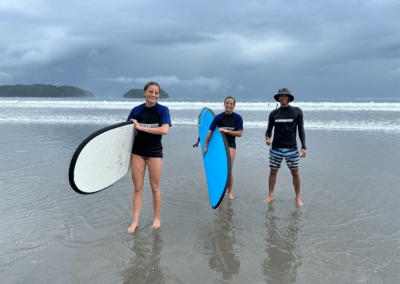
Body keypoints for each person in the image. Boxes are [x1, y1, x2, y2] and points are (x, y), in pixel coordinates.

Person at [126, 82, 171, 233]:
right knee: (138, 188)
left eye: (156, 93)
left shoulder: (163, 110)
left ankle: (156, 218)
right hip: (137, 151)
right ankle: (135, 221)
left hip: (154, 152)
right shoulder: (136, 110)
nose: (153, 95)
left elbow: (164, 130)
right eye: (150, 92)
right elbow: (126, 133)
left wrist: (141, 127)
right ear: (144, 93)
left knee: (155, 187)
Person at [264, 88, 306, 206]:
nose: (282, 98)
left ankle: (297, 198)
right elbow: (268, 131)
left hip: (292, 148)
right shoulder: (273, 113)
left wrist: (304, 146)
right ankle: (270, 195)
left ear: (288, 97)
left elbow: (301, 130)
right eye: (280, 96)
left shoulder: (297, 111)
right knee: (273, 171)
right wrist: (267, 138)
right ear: (278, 98)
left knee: (295, 173)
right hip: (276, 148)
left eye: (285, 96)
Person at [203, 96, 243, 199]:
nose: (229, 105)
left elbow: (239, 133)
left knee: (228, 169)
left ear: (234, 106)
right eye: (227, 103)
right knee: (219, 168)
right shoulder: (218, 117)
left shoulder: (238, 118)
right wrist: (205, 146)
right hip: (218, 146)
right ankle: (219, 190)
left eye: (231, 104)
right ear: (224, 104)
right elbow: (210, 132)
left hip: (230, 146)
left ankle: (229, 192)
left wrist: (227, 131)